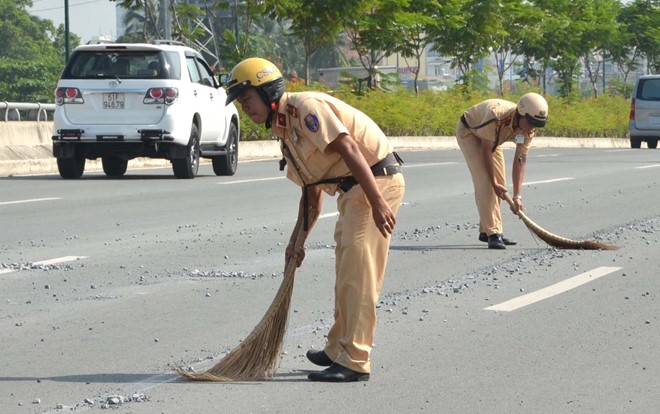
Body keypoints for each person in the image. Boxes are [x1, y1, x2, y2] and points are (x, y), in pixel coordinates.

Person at [224, 57, 405, 382]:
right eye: (241, 103)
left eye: (247, 100)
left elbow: (349, 148)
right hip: (353, 191)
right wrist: (296, 244)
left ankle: (355, 360)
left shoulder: (305, 108)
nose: (245, 109)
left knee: (359, 274)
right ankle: (338, 348)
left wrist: (378, 202)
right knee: (345, 270)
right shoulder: (285, 133)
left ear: (267, 92)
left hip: (375, 181)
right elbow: (312, 196)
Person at [456, 93, 549, 249]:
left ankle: (486, 231)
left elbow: (520, 159)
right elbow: (486, 150)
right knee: (487, 183)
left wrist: (517, 196)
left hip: (493, 140)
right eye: (531, 123)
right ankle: (493, 233)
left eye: (537, 125)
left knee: (501, 185)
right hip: (470, 133)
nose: (533, 128)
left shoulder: (529, 130)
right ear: (520, 114)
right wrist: (494, 182)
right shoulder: (496, 115)